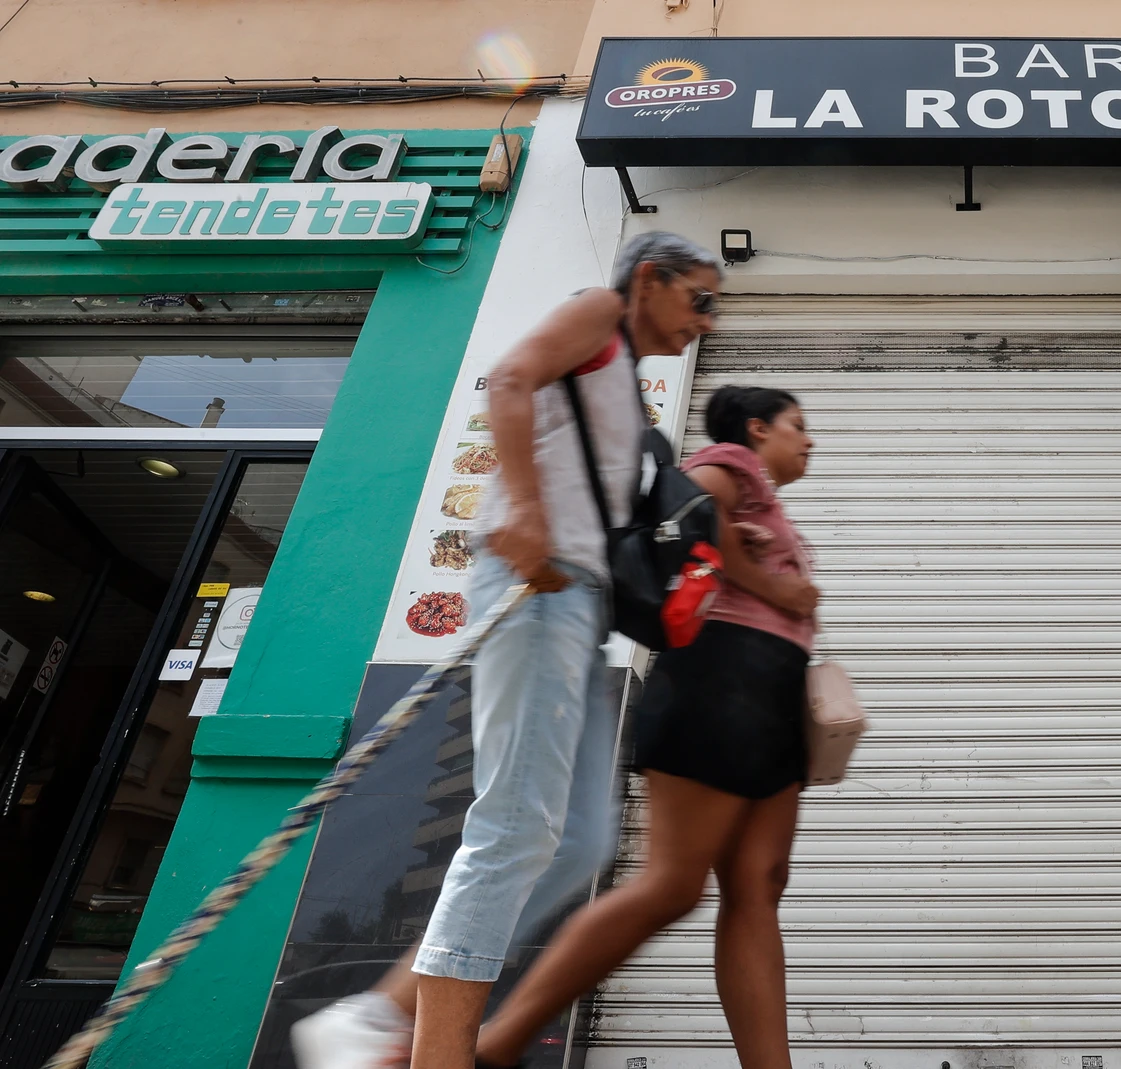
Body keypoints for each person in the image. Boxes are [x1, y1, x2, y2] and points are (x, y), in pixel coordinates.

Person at [291, 230, 723, 1069]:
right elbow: (513, 378)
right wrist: (522, 508)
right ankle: (434, 1054)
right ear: (649, 281)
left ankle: (376, 1015)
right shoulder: (598, 312)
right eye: (698, 297)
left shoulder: (624, 379)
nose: (704, 320)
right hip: (535, 583)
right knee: (518, 826)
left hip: (576, 599)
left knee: (579, 841)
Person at [460, 383, 819, 1069]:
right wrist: (772, 585)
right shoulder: (732, 463)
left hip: (768, 692)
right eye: (797, 426)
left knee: (760, 881)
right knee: (673, 884)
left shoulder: (764, 500)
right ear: (755, 428)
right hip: (723, 680)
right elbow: (696, 502)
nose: (809, 440)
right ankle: (498, 1044)